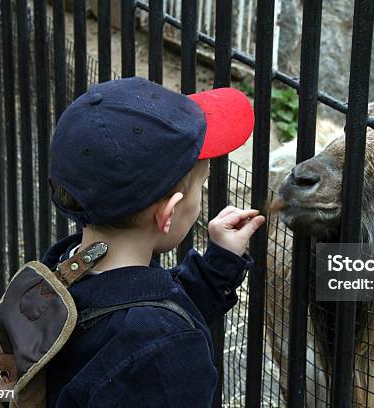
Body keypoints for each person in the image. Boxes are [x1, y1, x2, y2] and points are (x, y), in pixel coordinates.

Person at [42, 76, 264, 407]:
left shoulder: (60, 271)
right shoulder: (169, 353)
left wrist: (217, 266)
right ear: (169, 214)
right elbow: (151, 337)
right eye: (200, 187)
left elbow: (137, 317)